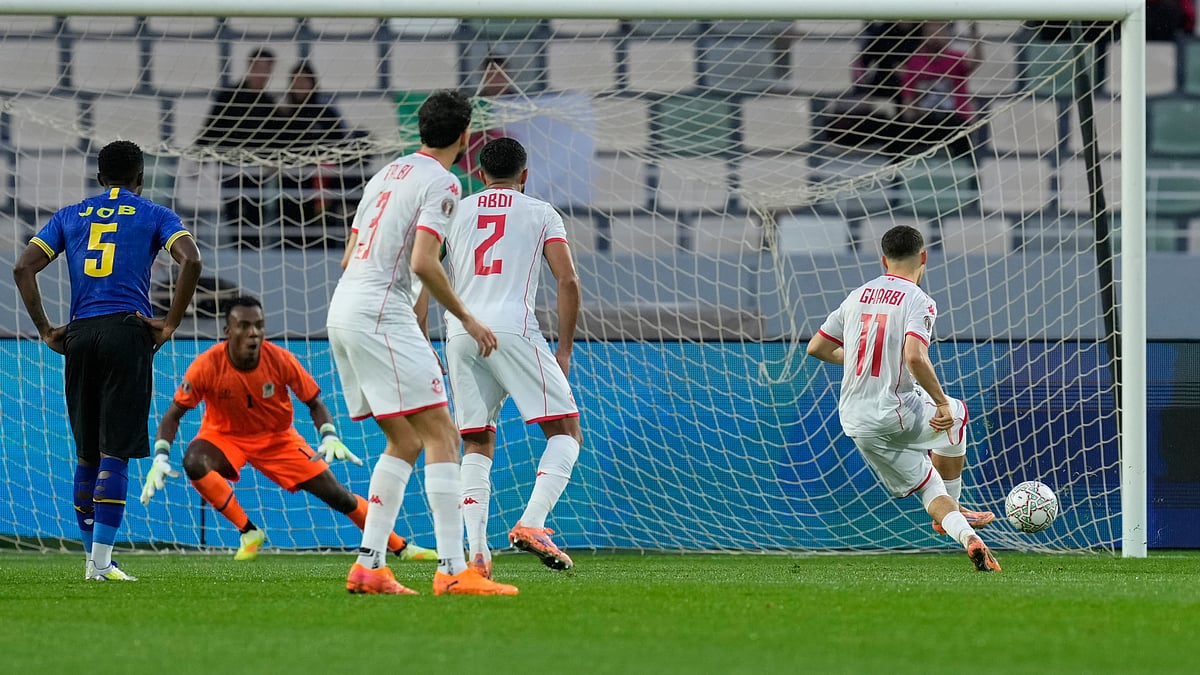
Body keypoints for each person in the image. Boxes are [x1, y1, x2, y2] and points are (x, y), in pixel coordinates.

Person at [327, 89, 517, 596]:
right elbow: (422, 264)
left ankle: (369, 566)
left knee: (405, 440)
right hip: (377, 314)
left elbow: (350, 258)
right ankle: (454, 571)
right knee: (442, 436)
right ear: (465, 137)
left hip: (344, 309)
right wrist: (469, 319)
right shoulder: (443, 182)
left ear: (420, 129)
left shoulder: (386, 175)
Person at [12, 140, 203, 581]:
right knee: (114, 452)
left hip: (79, 334)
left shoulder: (70, 215)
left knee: (86, 455)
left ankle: (92, 561)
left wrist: (46, 330)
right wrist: (170, 322)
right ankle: (100, 563)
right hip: (126, 331)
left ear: (100, 179)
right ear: (140, 179)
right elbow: (191, 260)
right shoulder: (155, 215)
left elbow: (23, 268)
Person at [140, 295, 437, 563]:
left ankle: (401, 547)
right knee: (194, 461)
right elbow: (173, 415)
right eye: (244, 326)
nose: (253, 332)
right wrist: (161, 456)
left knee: (339, 497)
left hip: (278, 440)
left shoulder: (281, 359)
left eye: (258, 325)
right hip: (223, 436)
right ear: (228, 332)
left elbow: (315, 403)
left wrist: (329, 435)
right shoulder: (206, 365)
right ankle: (249, 532)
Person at [805, 224, 1001, 572]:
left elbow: (817, 347)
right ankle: (953, 507)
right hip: (893, 409)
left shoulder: (857, 295)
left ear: (883, 260)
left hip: (854, 420)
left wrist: (857, 359)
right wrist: (939, 400)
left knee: (928, 484)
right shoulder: (917, 299)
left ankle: (966, 535)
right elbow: (914, 356)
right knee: (955, 414)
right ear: (923, 257)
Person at [445, 137, 583, 580]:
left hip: (459, 331)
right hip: (512, 328)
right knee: (565, 430)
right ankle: (533, 523)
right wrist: (563, 350)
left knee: (477, 440)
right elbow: (568, 281)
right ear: (525, 176)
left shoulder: (457, 210)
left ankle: (478, 556)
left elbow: (420, 267)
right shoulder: (540, 212)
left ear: (480, 175)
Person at [195, 47, 283, 234]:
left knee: (255, 216)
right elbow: (211, 129)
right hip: (230, 170)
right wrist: (197, 155)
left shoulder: (269, 104)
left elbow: (278, 139)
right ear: (249, 67)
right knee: (235, 215)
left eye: (266, 68)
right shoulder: (229, 97)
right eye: (258, 67)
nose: (262, 73)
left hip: (257, 173)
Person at [896, 21, 982, 158]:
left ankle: (967, 175)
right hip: (926, 120)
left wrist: (974, 33)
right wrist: (909, 114)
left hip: (954, 120)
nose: (935, 37)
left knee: (962, 136)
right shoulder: (915, 62)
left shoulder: (955, 58)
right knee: (900, 136)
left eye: (939, 33)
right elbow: (908, 97)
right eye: (930, 33)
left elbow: (976, 61)